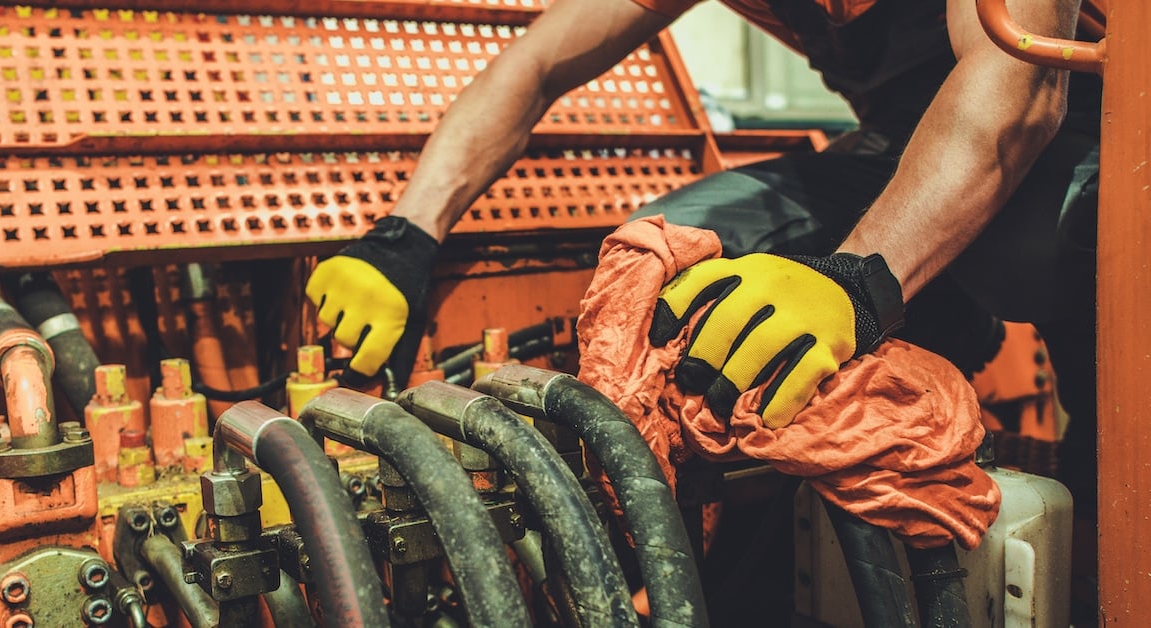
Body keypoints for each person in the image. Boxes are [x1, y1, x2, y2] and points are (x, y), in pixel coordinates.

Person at [304, 0, 1102, 623]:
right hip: (897, 145)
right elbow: (537, 63)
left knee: (1059, 266)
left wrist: (858, 280)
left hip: (1092, 130)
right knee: (669, 274)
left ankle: (1109, 558)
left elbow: (1021, 90)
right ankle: (737, 602)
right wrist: (406, 235)